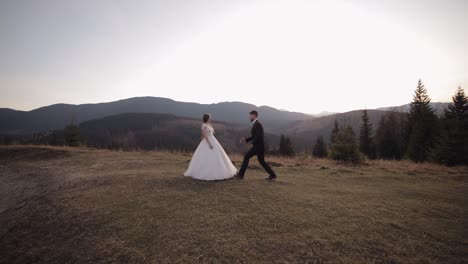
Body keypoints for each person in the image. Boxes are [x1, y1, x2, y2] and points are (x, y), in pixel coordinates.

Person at [184, 113, 237, 181]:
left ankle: (220, 171)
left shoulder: (209, 125)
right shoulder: (204, 125)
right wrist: (209, 144)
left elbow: (211, 133)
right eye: (209, 118)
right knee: (206, 156)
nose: (210, 119)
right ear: (206, 118)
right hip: (208, 141)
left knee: (218, 156)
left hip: (213, 140)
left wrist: (211, 133)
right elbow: (205, 136)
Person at [236, 110, 277, 180]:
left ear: (254, 115)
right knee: (261, 161)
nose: (249, 117)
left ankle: (241, 175)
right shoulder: (255, 124)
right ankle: (273, 175)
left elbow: (259, 136)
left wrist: (253, 143)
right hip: (260, 146)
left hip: (257, 146)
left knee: (246, 157)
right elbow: (254, 136)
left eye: (250, 116)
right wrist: (245, 140)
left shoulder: (257, 124)